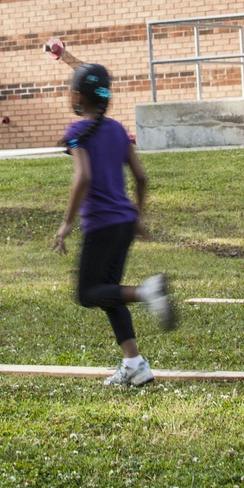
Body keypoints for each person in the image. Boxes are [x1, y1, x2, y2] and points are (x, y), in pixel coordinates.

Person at [52, 63, 177, 387]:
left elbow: (84, 177)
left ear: (78, 96)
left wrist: (66, 223)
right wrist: (138, 216)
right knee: (110, 292)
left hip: (102, 225)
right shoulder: (118, 130)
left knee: (88, 292)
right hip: (123, 223)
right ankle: (135, 365)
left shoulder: (76, 133)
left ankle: (147, 291)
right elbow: (141, 177)